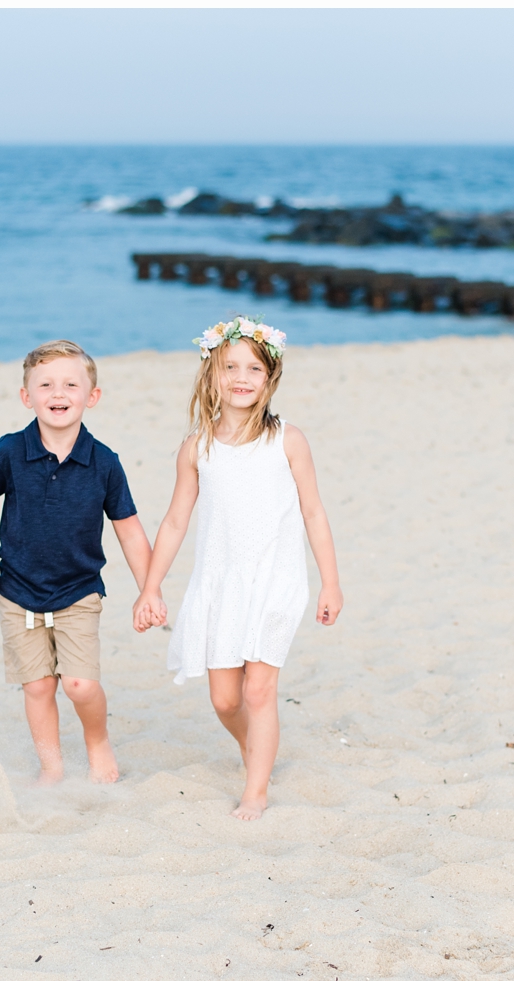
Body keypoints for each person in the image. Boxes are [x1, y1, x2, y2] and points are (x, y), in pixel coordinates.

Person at [132, 317, 343, 821]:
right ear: (212, 374)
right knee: (226, 700)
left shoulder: (288, 440)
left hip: (276, 580)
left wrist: (330, 583)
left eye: (253, 368)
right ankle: (258, 753)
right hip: (220, 584)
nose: (242, 377)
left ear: (270, 379)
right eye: (231, 367)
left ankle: (256, 789)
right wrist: (150, 586)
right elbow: (177, 519)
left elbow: (314, 511)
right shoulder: (196, 448)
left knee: (258, 689)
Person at [0, 340, 152, 784]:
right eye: (46, 384)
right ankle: (51, 765)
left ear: (92, 396)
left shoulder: (104, 462)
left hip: (78, 591)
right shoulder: (11, 451)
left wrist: (150, 589)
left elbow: (128, 528)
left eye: (71, 384)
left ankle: (97, 741)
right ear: (26, 395)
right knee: (37, 686)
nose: (58, 393)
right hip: (17, 590)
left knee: (79, 685)